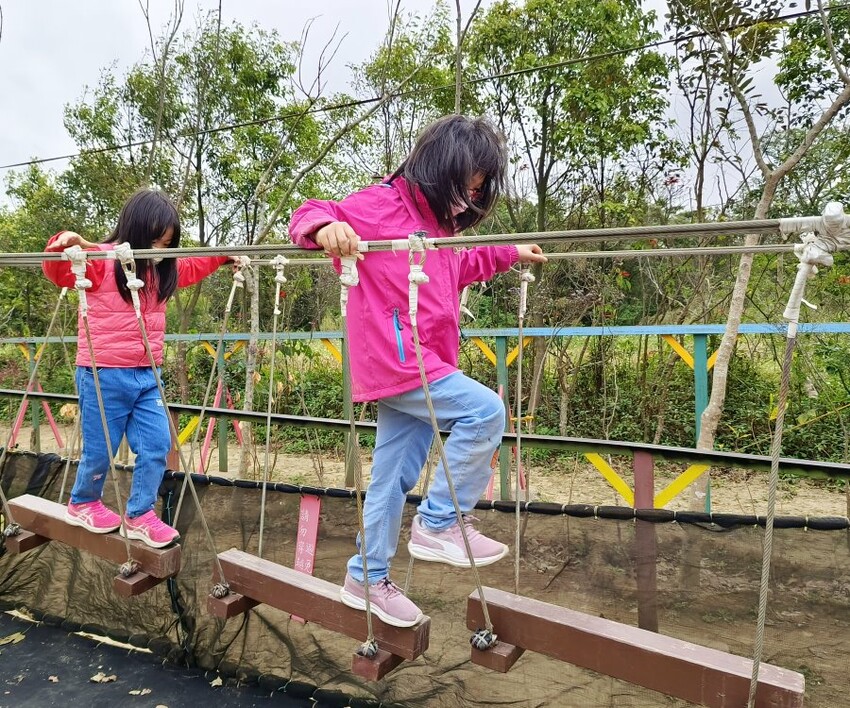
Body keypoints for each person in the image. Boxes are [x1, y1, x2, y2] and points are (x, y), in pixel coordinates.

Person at [289, 114, 547, 627]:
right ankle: (439, 522)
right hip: (400, 360)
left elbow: (462, 265)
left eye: (477, 190)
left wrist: (508, 253)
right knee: (485, 412)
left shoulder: (439, 229)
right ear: (439, 168)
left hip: (422, 361)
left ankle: (366, 577)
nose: (469, 197)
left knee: (391, 479)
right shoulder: (381, 205)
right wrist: (326, 227)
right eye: (465, 185)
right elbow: (309, 213)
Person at [43, 188, 232, 549]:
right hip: (103, 374)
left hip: (147, 376)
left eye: (167, 244)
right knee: (101, 450)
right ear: (134, 232)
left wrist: (225, 256)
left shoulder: (164, 271)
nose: (160, 252)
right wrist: (63, 244)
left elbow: (196, 264)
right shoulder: (99, 260)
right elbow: (58, 272)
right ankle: (83, 502)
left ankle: (140, 513)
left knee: (158, 444)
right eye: (155, 242)